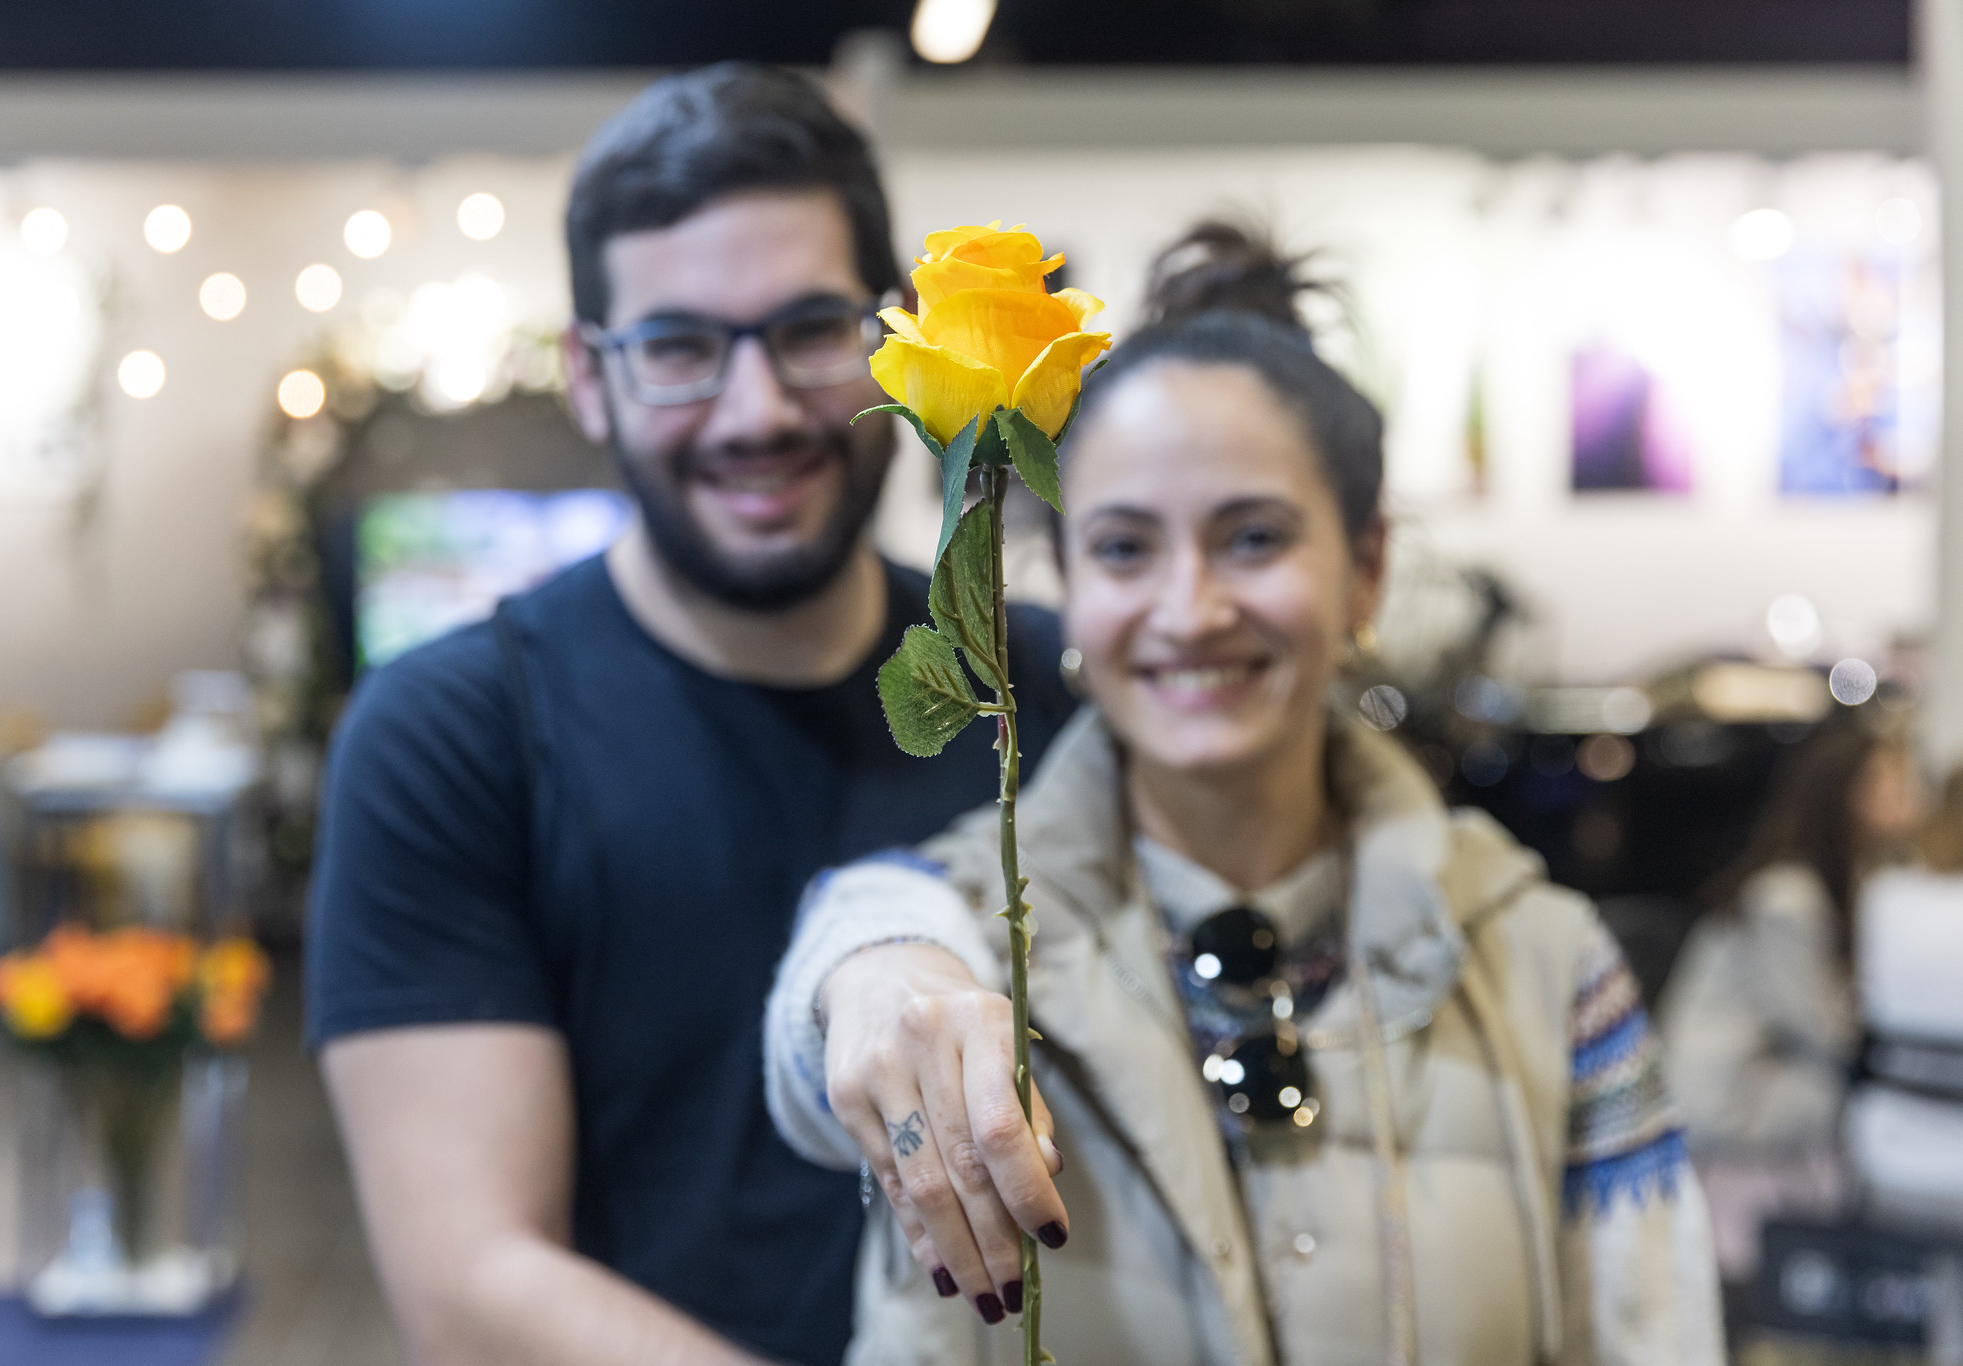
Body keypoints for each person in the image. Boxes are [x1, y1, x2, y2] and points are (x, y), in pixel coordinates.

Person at [763, 222, 1724, 1365]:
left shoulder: (1546, 963)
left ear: (1363, 566)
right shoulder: (949, 931)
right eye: (1123, 549)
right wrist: (868, 977)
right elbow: (845, 990)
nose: (1190, 607)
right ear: (1064, 581)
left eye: (1252, 537)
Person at [306, 65, 1076, 1366]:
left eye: (811, 331)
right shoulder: (451, 733)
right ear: (591, 379)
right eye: (677, 349)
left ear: (895, 337)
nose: (757, 409)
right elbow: (470, 1279)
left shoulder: (1040, 684)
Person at [1661, 719, 1925, 1287]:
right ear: (1840, 794)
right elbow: (1829, 1031)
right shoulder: (1789, 896)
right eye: (1884, 780)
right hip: (1733, 1098)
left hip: (1761, 1088)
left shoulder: (1844, 884)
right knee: (1880, 1114)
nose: (1905, 795)